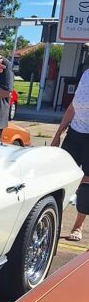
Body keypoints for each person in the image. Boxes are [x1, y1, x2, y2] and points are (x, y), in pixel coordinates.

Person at [51, 68, 89, 242]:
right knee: (62, 178)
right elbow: (73, 106)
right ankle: (54, 221)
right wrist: (58, 134)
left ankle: (78, 226)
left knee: (86, 183)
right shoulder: (86, 74)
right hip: (74, 133)